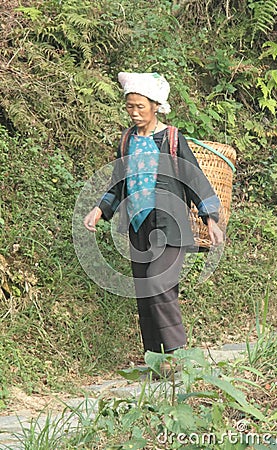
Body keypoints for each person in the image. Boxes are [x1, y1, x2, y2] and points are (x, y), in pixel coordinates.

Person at [84, 72, 223, 357]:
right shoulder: (127, 140)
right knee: (145, 291)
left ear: (156, 105)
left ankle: (177, 354)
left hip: (170, 224)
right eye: (130, 107)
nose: (134, 113)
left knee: (158, 282)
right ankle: (156, 359)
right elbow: (118, 181)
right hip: (138, 224)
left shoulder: (172, 138)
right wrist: (99, 210)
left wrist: (210, 219)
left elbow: (194, 178)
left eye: (140, 107)